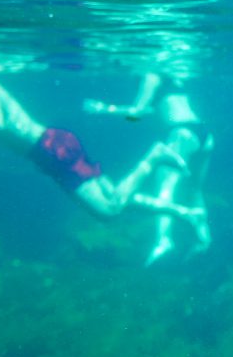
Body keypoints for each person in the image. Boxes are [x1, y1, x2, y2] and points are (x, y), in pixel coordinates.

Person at [0, 68, 193, 220]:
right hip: (52, 145)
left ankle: (154, 156)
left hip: (49, 150)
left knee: (109, 210)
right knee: (110, 195)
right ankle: (183, 213)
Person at [85, 72, 213, 264]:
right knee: (195, 189)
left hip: (181, 133)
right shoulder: (175, 75)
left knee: (165, 189)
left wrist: (104, 109)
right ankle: (204, 237)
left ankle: (164, 240)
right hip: (204, 133)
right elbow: (146, 113)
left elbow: (136, 113)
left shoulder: (151, 75)